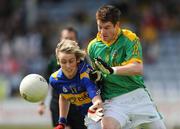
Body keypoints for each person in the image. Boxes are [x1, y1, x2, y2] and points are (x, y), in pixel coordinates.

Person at [87, 5, 166, 129]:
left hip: (137, 95)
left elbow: (137, 68)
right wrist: (97, 78)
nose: (102, 32)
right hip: (113, 100)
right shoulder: (92, 47)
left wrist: (112, 70)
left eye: (107, 27)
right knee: (107, 126)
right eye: (100, 27)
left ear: (117, 25)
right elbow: (97, 77)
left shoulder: (129, 38)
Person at [38, 27, 87, 129]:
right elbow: (44, 82)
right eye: (65, 38)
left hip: (79, 105)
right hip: (58, 104)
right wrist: (41, 103)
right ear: (60, 39)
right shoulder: (53, 60)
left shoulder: (82, 60)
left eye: (71, 38)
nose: (68, 41)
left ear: (76, 41)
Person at [49, 39, 103, 129]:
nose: (68, 66)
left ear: (77, 59)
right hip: (88, 114)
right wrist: (61, 123)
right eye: (63, 61)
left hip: (105, 107)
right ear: (58, 61)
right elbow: (64, 96)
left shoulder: (85, 75)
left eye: (71, 61)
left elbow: (97, 101)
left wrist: (95, 107)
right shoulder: (55, 80)